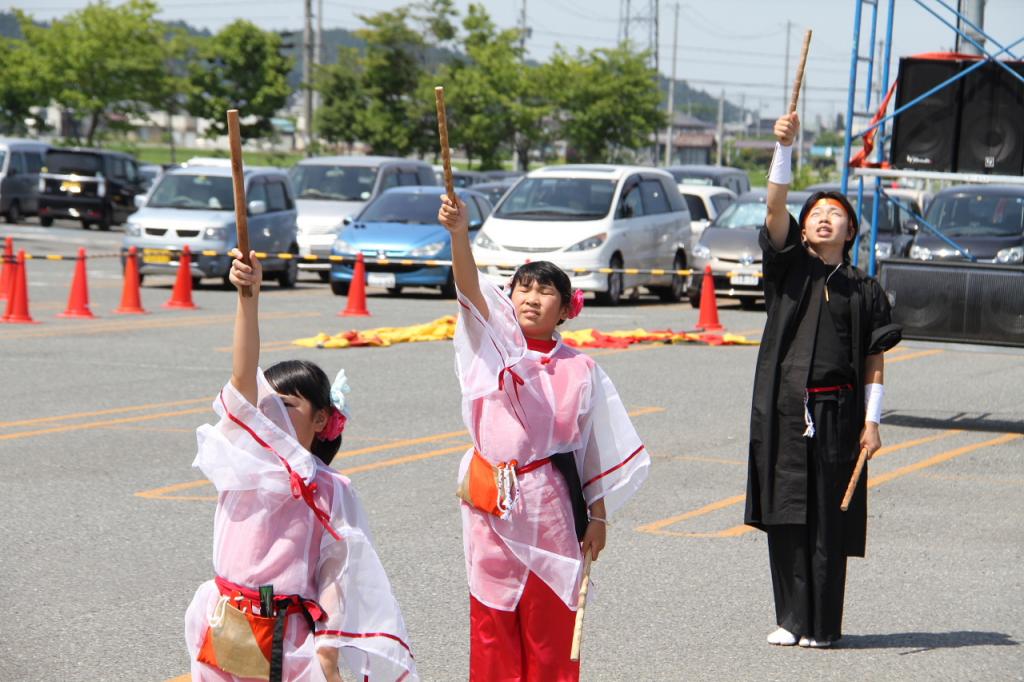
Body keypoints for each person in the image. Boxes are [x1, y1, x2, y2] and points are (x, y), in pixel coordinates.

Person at [437, 194, 650, 681]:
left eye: (546, 291)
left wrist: (597, 515)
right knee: (492, 623)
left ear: (566, 308)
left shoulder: (582, 368)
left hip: (551, 504)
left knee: (551, 625)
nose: (531, 297)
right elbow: (469, 290)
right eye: (523, 288)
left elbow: (590, 449)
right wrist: (458, 235)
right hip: (492, 502)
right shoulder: (487, 349)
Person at [184, 249, 417, 681]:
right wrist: (247, 298)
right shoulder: (240, 459)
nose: (269, 414)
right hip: (224, 618)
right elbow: (242, 375)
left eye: (287, 405)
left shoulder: (331, 488)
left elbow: (339, 568)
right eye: (265, 405)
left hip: (287, 637)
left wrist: (328, 643)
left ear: (322, 418)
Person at [745, 112, 902, 648]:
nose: (823, 219)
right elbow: (773, 207)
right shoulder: (787, 267)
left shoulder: (864, 288)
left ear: (851, 230)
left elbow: (875, 357)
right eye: (816, 213)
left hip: (839, 413)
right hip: (787, 410)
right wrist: (783, 149)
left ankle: (824, 627)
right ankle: (791, 620)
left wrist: (872, 420)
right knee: (787, 513)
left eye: (835, 214)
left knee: (829, 520)